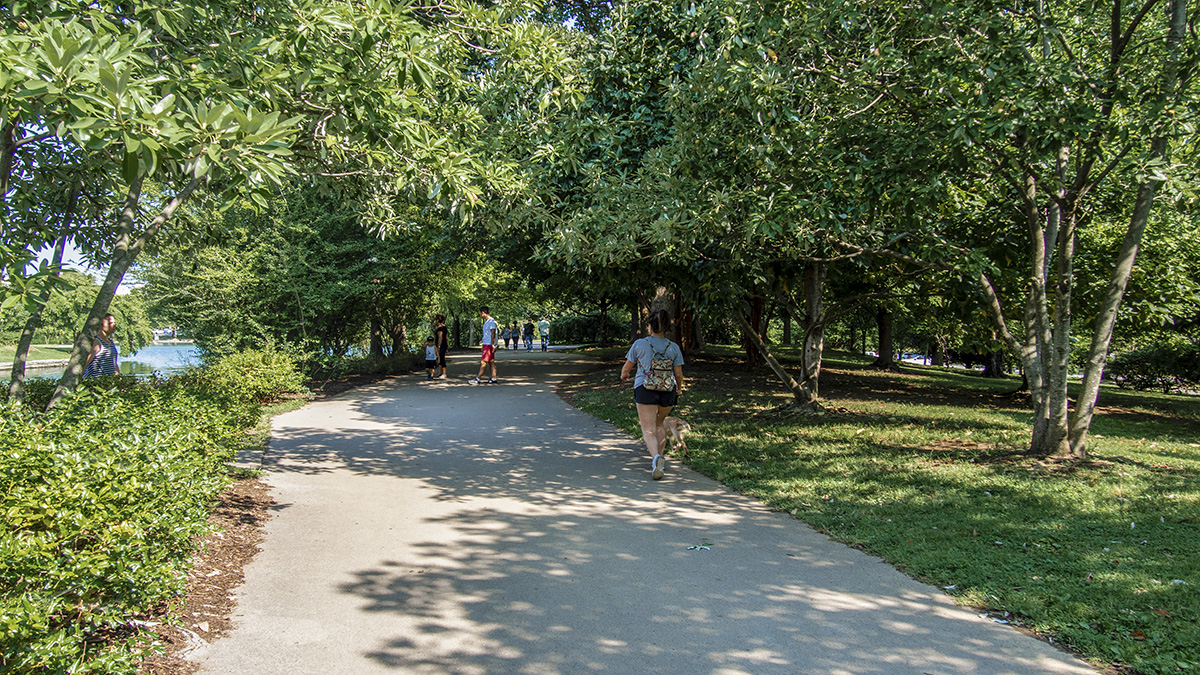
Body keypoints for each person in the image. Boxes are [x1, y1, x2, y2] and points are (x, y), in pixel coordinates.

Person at [620, 310, 685, 480]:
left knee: (647, 429)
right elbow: (678, 374)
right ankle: (660, 459)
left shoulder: (640, 344)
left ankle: (656, 459)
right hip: (668, 391)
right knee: (659, 424)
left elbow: (627, 368)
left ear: (650, 327)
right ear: (666, 328)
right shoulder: (674, 347)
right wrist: (679, 388)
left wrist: (624, 376)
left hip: (645, 389)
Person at [83, 313, 120, 377]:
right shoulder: (96, 342)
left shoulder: (110, 342)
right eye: (110, 323)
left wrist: (118, 378)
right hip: (95, 383)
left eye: (114, 323)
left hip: (108, 383)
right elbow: (85, 363)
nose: (114, 325)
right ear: (101, 325)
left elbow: (113, 363)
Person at [474, 306, 498, 384]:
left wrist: (492, 344)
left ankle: (478, 378)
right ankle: (494, 378)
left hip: (489, 344)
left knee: (483, 362)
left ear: (483, 312)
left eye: (480, 313)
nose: (480, 315)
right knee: (491, 361)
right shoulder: (487, 322)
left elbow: (493, 333)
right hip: (486, 344)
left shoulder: (491, 322)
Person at [434, 315, 449, 379]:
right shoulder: (444, 327)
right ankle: (441, 373)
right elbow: (446, 337)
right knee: (439, 358)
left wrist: (439, 346)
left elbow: (440, 337)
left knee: (441, 358)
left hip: (441, 344)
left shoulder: (440, 328)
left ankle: (444, 373)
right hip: (444, 344)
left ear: (437, 320)